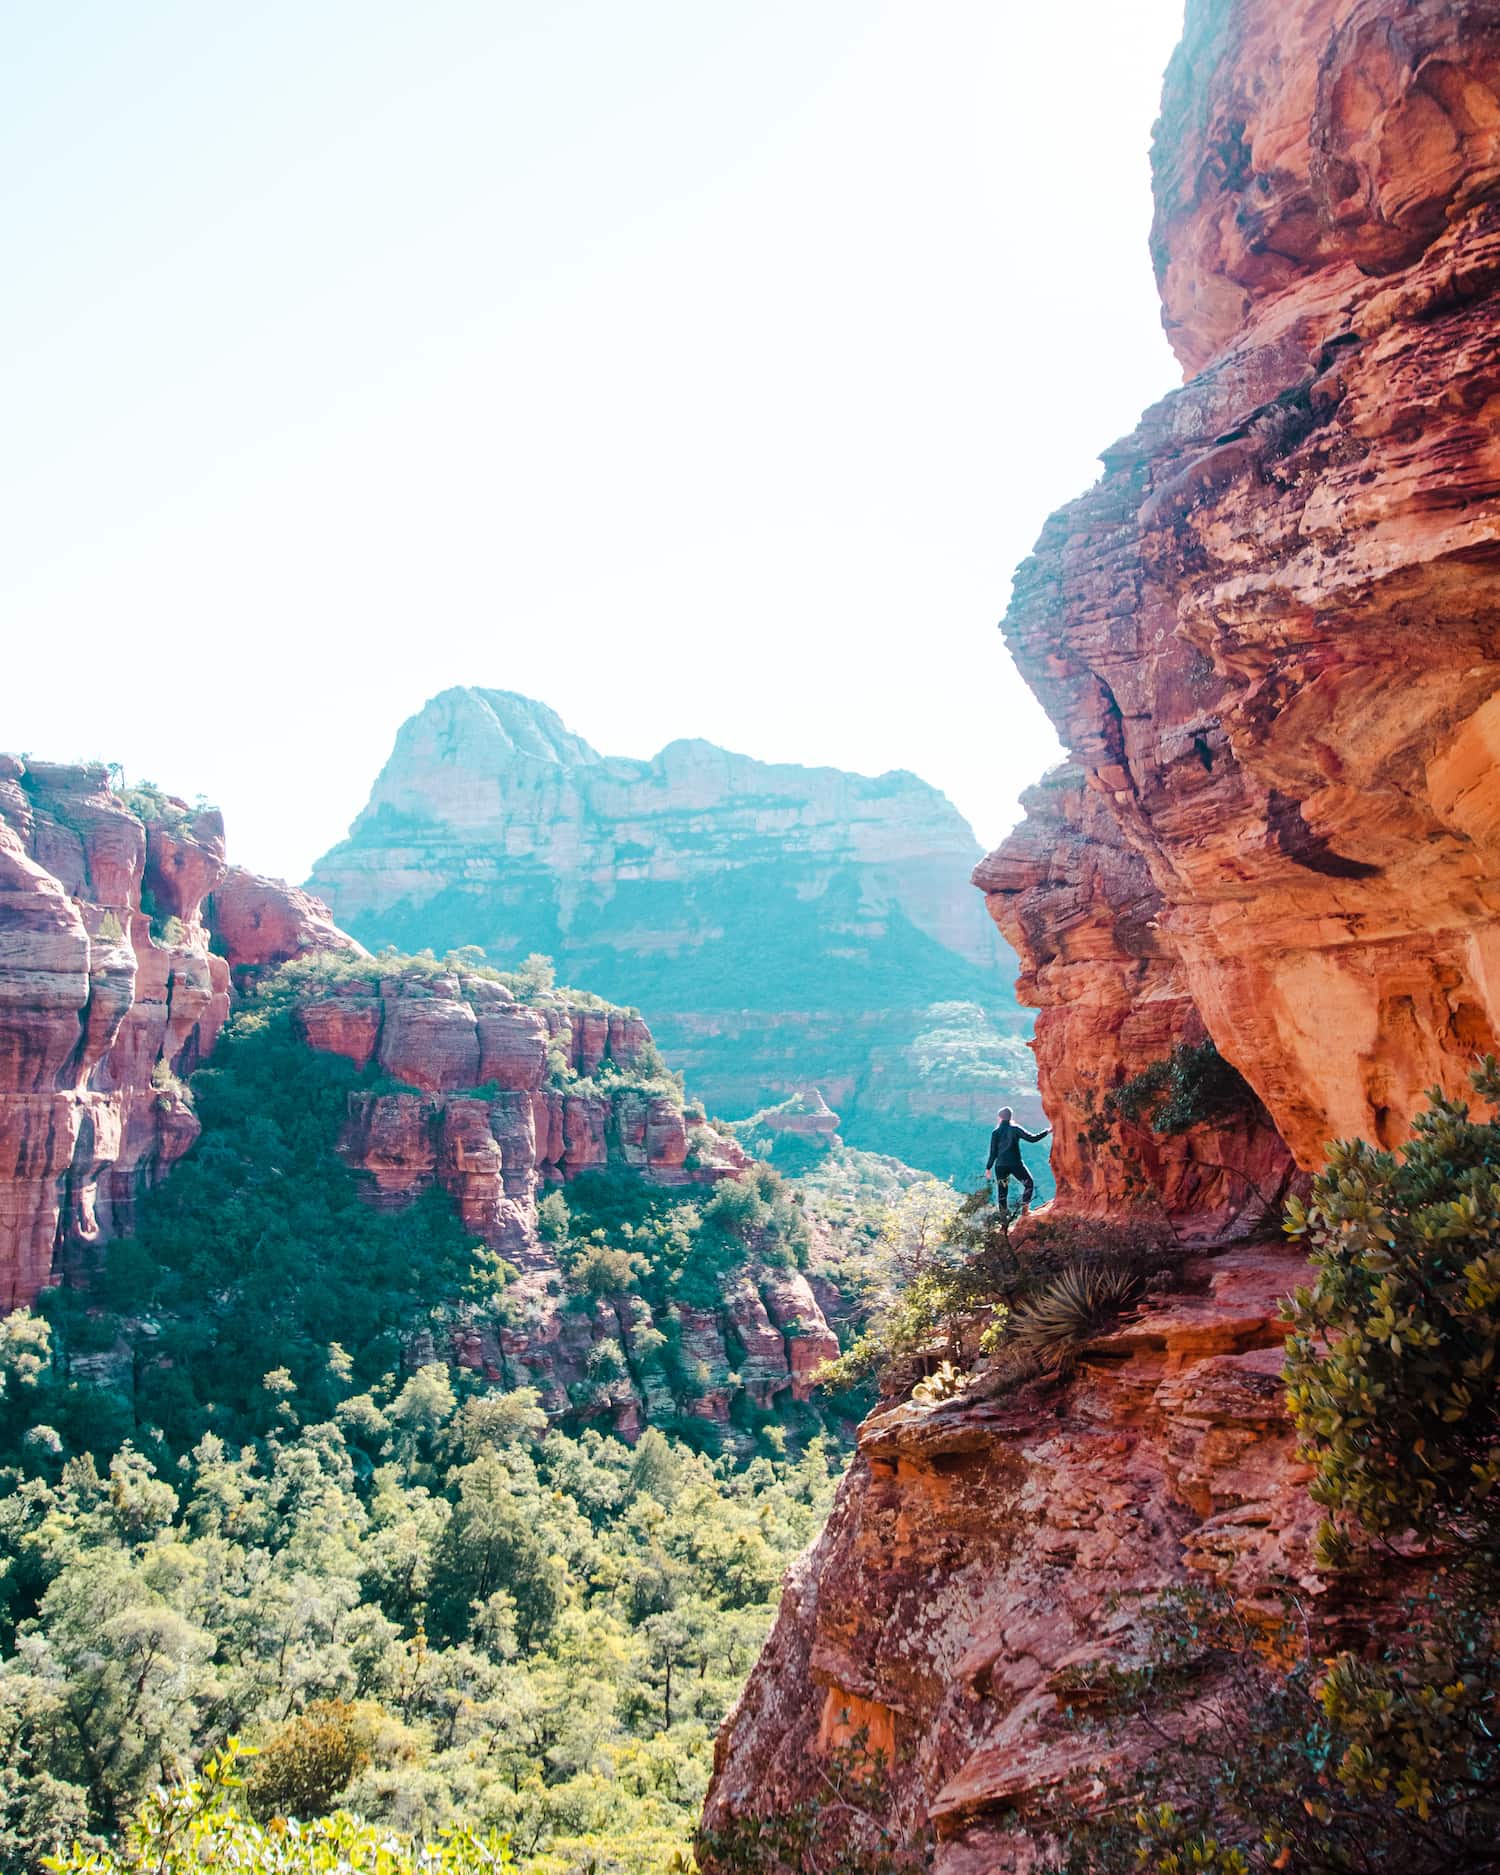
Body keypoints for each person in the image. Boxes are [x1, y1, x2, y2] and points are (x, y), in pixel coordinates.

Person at [985, 1106, 1050, 1216]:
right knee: (1029, 1183)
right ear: (1010, 1117)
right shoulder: (1015, 1129)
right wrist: (1047, 1131)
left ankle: (1004, 1223)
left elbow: (993, 1153)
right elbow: (1032, 1139)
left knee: (1002, 1193)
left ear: (999, 1117)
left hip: (1000, 1167)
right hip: (1016, 1165)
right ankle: (1025, 1210)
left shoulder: (995, 1132)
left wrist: (988, 1168)